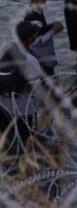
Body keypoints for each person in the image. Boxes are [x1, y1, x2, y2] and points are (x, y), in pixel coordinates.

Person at [0, 21, 43, 166]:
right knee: (27, 138)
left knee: (7, 136)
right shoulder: (29, 59)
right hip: (23, 108)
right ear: (30, 38)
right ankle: (25, 164)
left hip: (3, 104)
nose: (37, 35)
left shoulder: (6, 46)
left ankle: (8, 163)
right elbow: (35, 87)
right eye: (35, 33)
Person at [24, 0, 64, 76]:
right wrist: (53, 31)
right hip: (41, 58)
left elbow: (40, 30)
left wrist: (51, 26)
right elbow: (35, 41)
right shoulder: (33, 17)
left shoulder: (37, 10)